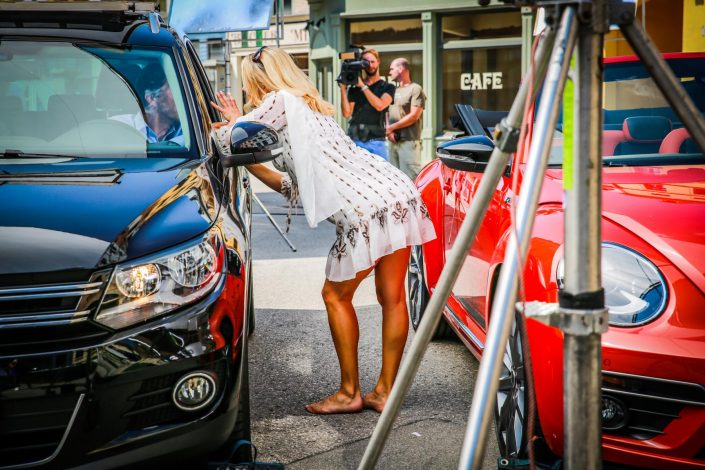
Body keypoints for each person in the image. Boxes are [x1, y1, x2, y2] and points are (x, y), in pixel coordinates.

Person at [211, 46, 436, 415]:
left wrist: (233, 123)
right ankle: (384, 392)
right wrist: (248, 150)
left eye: (249, 84)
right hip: (396, 193)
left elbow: (224, 142)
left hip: (366, 208)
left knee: (334, 296)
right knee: (392, 298)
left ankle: (350, 393)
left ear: (261, 79)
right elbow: (289, 184)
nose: (249, 91)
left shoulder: (279, 101)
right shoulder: (311, 106)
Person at [339, 49, 395, 160]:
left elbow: (380, 105)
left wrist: (363, 86)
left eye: (372, 61)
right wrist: (343, 90)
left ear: (378, 62)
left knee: (381, 176)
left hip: (376, 142)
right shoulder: (355, 88)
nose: (370, 65)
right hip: (355, 141)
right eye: (366, 62)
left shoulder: (387, 87)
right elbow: (346, 113)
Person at [112, 63, 184, 145]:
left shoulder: (192, 133)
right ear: (152, 99)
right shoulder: (117, 128)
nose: (183, 96)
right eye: (174, 88)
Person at [386, 58, 426, 180]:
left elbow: (414, 116)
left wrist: (391, 128)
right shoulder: (392, 90)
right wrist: (390, 132)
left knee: (411, 180)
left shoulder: (415, 89)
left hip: (409, 142)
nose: (390, 72)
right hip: (392, 141)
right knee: (394, 180)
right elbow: (387, 112)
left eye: (392, 69)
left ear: (401, 69)